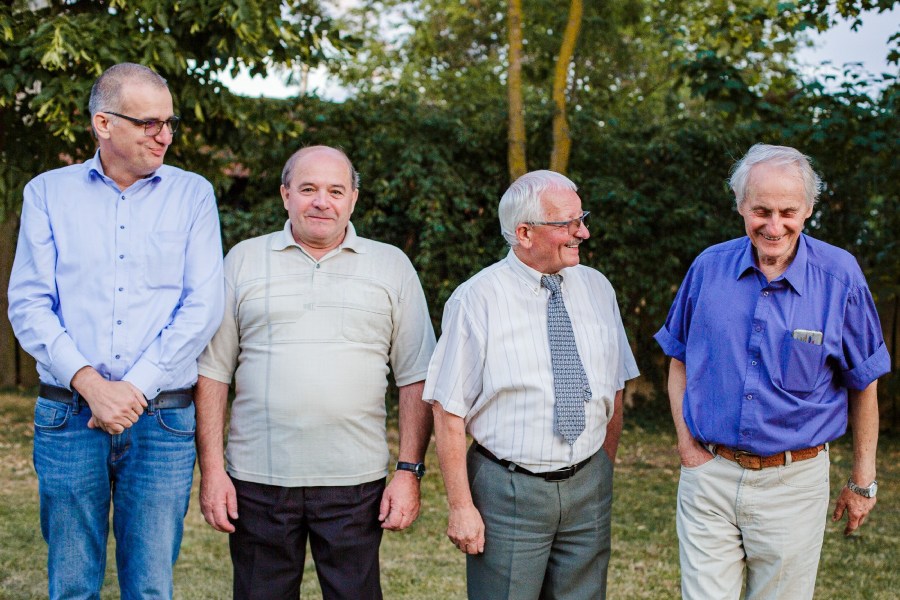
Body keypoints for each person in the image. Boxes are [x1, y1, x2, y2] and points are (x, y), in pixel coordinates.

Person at [7, 63, 225, 599]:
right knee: (71, 586)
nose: (164, 135)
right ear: (103, 123)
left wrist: (132, 389)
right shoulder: (47, 193)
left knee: (150, 587)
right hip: (68, 415)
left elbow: (202, 306)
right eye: (149, 123)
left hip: (162, 420)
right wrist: (91, 385)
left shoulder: (193, 194)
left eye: (169, 123)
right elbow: (30, 303)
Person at [195, 145, 436, 599]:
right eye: (308, 189)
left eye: (335, 191)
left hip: (355, 481)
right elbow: (213, 373)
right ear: (285, 195)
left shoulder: (391, 266)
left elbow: (416, 376)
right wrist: (212, 471)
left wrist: (408, 472)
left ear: (353, 199)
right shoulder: (243, 260)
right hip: (258, 479)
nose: (322, 201)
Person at [654, 143, 891, 599]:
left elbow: (864, 382)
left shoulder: (840, 277)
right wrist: (686, 447)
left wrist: (863, 480)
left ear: (808, 210)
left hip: (794, 484)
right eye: (761, 211)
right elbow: (678, 359)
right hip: (709, 477)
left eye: (788, 212)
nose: (774, 226)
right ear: (741, 205)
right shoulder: (707, 268)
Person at [423, 170, 639, 600]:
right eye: (568, 223)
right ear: (524, 233)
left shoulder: (598, 288)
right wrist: (462, 507)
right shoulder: (477, 299)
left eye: (582, 219)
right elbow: (447, 411)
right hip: (509, 491)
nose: (583, 232)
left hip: (588, 486)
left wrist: (601, 468)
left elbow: (613, 387)